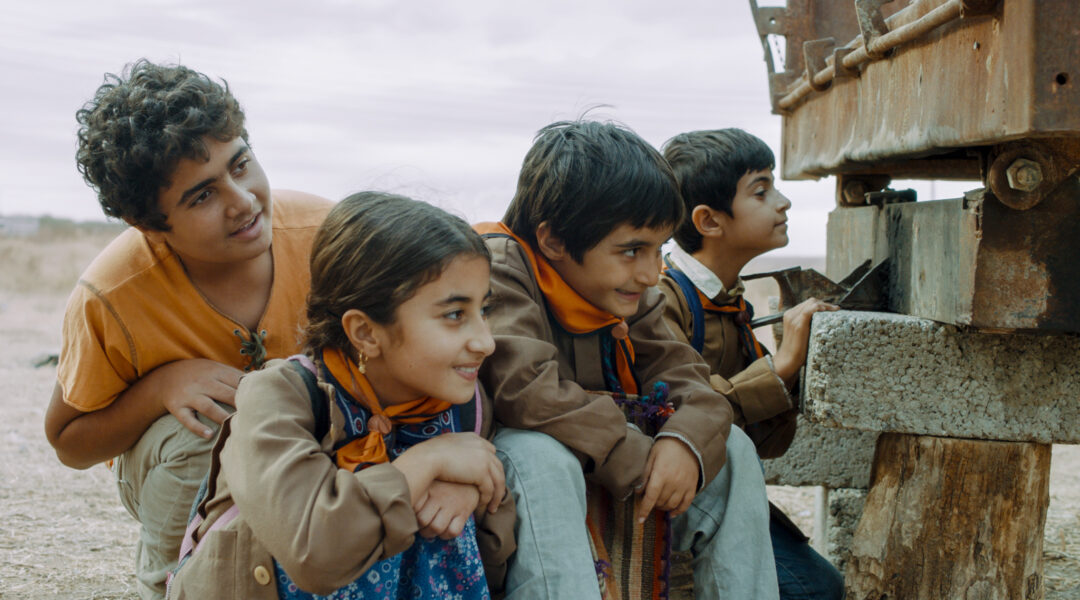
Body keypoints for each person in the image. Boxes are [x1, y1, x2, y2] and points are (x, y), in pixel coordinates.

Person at [43, 59, 333, 599]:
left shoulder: (330, 237)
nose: (242, 200)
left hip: (309, 455)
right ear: (151, 224)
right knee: (214, 423)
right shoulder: (112, 295)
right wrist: (161, 388)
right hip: (180, 462)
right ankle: (172, 579)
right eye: (202, 196)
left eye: (241, 164)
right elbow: (68, 442)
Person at [477, 119, 779, 599]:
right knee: (535, 452)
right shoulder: (495, 270)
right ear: (554, 241)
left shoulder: (631, 294)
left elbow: (692, 384)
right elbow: (526, 390)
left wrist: (683, 444)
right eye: (632, 249)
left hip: (612, 475)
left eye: (658, 249)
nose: (649, 272)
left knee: (734, 450)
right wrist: (641, 458)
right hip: (517, 500)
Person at [167, 192, 515, 599]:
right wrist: (426, 465)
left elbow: (496, 545)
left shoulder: (463, 403)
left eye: (484, 310)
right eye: (455, 315)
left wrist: (469, 492)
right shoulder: (278, 396)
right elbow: (316, 552)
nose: (485, 342)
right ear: (366, 333)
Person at [658, 128, 844, 599]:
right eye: (761, 191)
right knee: (809, 592)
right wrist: (779, 368)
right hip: (679, 492)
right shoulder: (663, 299)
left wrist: (798, 363)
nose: (782, 202)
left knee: (822, 586)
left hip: (725, 486)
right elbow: (682, 414)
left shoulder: (728, 299)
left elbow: (769, 441)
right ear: (709, 221)